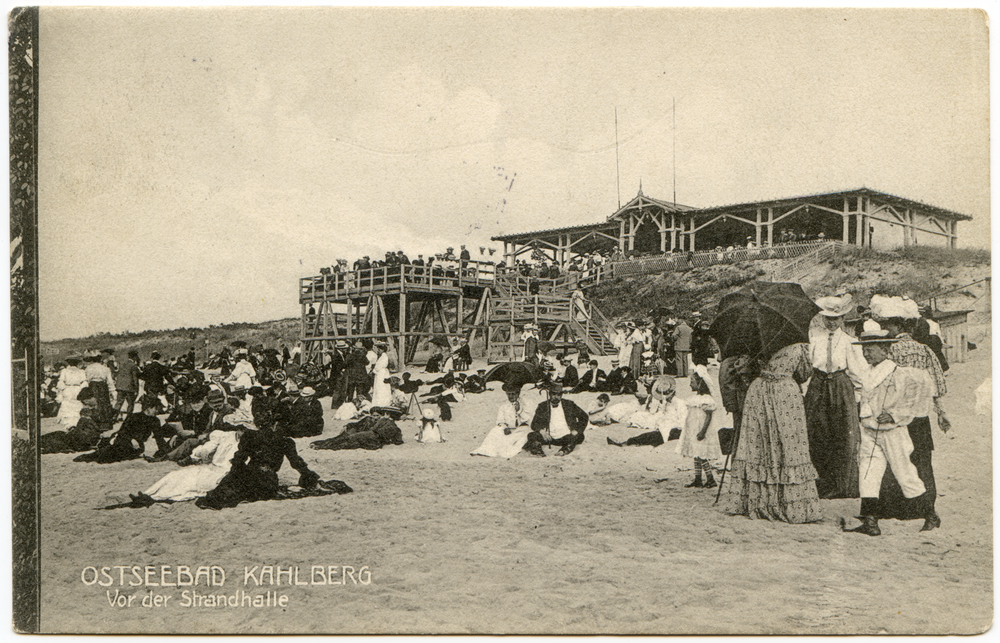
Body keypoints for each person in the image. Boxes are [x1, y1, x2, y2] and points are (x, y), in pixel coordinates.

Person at [843, 329, 934, 536]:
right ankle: (871, 522)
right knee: (868, 473)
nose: (866, 354)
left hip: (892, 432)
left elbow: (912, 399)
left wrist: (894, 415)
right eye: (864, 349)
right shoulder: (866, 373)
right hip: (869, 429)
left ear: (885, 350)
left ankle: (931, 514)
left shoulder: (898, 372)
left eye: (871, 349)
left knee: (905, 473)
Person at [870, 296, 949, 530]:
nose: (885, 329)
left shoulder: (889, 350)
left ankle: (895, 508)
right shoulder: (924, 350)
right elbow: (938, 385)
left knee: (893, 458)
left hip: (896, 415)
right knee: (922, 459)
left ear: (897, 326)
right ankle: (925, 509)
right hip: (920, 415)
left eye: (887, 326)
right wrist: (940, 413)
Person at [721, 343, 820, 523]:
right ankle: (787, 503)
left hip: (759, 392)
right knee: (788, 445)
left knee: (760, 444)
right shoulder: (798, 346)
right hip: (786, 394)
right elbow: (804, 374)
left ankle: (759, 500)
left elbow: (744, 369)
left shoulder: (759, 341)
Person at [804, 294, 869, 499]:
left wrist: (856, 399)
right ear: (822, 319)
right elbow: (808, 368)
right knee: (818, 434)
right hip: (818, 386)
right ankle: (825, 482)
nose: (832, 322)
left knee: (843, 435)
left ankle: (844, 485)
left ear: (842, 319)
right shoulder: (814, 339)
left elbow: (858, 373)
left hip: (841, 386)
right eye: (828, 318)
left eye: (836, 318)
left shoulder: (850, 342)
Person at [195, 411, 321, 510]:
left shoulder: (250, 437)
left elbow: (239, 460)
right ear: (274, 424)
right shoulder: (285, 441)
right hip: (268, 481)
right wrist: (309, 477)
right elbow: (296, 463)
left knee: (233, 488)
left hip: (249, 474)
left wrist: (232, 476)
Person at [131, 426, 243, 504]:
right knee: (177, 474)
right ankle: (147, 494)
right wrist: (201, 454)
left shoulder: (250, 442)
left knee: (191, 483)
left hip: (224, 473)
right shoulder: (225, 436)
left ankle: (155, 497)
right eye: (240, 427)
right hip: (211, 467)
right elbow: (207, 448)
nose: (241, 430)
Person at [74, 394, 163, 463]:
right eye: (156, 409)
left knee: (108, 457)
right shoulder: (133, 417)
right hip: (124, 442)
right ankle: (88, 456)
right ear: (149, 408)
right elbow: (123, 432)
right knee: (106, 455)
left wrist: (164, 452)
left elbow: (159, 438)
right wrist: (131, 440)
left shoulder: (155, 421)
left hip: (137, 447)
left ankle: (92, 455)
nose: (157, 411)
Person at [677, 367, 725, 488]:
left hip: (702, 431)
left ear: (700, 383)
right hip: (694, 430)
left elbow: (708, 417)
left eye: (692, 381)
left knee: (702, 454)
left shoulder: (706, 400)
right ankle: (698, 479)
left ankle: (711, 479)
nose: (690, 384)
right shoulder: (694, 399)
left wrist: (703, 431)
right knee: (696, 454)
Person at [607, 376, 684, 447]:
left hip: (673, 430)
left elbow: (682, 421)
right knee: (649, 436)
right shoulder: (667, 403)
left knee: (651, 437)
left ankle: (626, 444)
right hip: (664, 427)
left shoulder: (679, 403)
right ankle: (627, 443)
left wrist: (670, 424)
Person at [523, 384, 589, 457]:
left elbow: (584, 417)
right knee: (531, 435)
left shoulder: (569, 404)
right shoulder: (543, 406)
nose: (556, 397)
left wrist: (576, 430)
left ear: (561, 395)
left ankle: (563, 451)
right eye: (553, 394)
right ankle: (539, 451)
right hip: (549, 437)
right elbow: (534, 424)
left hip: (566, 436)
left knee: (579, 436)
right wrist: (542, 432)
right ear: (550, 394)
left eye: (558, 395)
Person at [40, 387, 110, 454]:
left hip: (86, 438)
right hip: (82, 435)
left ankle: (38, 442)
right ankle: (38, 441)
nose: (85, 404)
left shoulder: (102, 408)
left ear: (87, 400)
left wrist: (85, 424)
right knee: (59, 434)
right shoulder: (95, 408)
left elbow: (103, 427)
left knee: (60, 439)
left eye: (84, 402)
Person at [471, 383, 531, 457]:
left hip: (521, 429)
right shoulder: (504, 406)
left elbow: (528, 419)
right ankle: (487, 450)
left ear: (518, 393)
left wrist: (519, 411)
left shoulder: (524, 404)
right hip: (509, 429)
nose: (510, 396)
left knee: (524, 435)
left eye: (513, 394)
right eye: (508, 394)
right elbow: (500, 420)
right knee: (495, 431)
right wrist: (505, 427)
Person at [83, 350, 117, 425]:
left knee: (94, 402)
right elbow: (109, 381)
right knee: (104, 403)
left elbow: (87, 379)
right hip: (103, 386)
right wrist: (112, 391)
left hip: (93, 386)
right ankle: (104, 420)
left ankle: (95, 420)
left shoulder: (89, 368)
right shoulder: (105, 368)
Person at [55, 357, 88, 427]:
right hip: (77, 389)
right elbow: (84, 382)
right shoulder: (81, 371)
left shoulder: (64, 371)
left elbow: (61, 382)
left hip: (68, 389)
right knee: (76, 404)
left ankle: (68, 423)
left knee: (68, 404)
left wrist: (63, 389)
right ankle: (75, 422)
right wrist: (80, 388)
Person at [112, 350, 141, 420]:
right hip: (129, 387)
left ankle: (114, 417)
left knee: (119, 402)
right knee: (130, 403)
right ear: (135, 357)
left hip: (120, 387)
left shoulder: (122, 364)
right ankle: (129, 418)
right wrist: (136, 389)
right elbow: (135, 378)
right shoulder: (133, 366)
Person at [369, 343, 392, 407]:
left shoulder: (384, 356)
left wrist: (374, 370)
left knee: (381, 387)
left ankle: (382, 403)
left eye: (379, 349)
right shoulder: (381, 356)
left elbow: (378, 366)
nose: (378, 351)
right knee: (379, 387)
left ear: (382, 350)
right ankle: (379, 402)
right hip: (379, 373)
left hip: (381, 373)